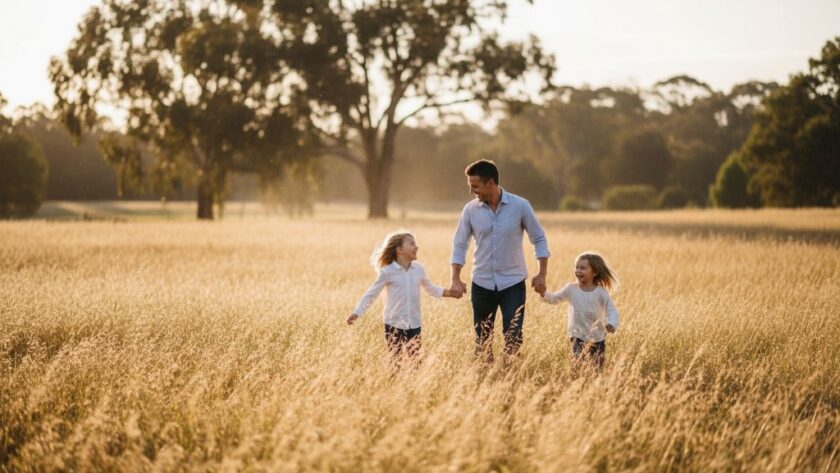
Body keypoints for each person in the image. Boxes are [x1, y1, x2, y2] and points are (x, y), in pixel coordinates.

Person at [450, 159, 550, 362]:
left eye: (475, 186)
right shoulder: (470, 210)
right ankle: (486, 380)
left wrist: (542, 274)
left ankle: (510, 376)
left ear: (491, 183)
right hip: (482, 283)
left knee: (513, 337)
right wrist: (455, 278)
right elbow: (460, 245)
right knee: (482, 340)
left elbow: (538, 239)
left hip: (513, 283)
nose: (472, 191)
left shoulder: (520, 206)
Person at [348, 231, 461, 361]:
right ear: (399, 250)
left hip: (414, 323)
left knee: (415, 361)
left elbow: (431, 289)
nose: (416, 247)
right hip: (393, 324)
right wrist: (357, 312)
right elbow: (371, 294)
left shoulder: (419, 269)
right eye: (412, 244)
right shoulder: (387, 272)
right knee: (395, 361)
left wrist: (451, 293)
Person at [542, 251, 619, 370]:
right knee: (578, 366)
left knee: (597, 369)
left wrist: (612, 324)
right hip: (577, 336)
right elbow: (554, 298)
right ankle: (578, 383)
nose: (578, 270)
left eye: (583, 268)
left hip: (598, 338)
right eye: (576, 267)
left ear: (595, 272)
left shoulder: (601, 293)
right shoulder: (571, 289)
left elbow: (612, 311)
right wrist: (543, 292)